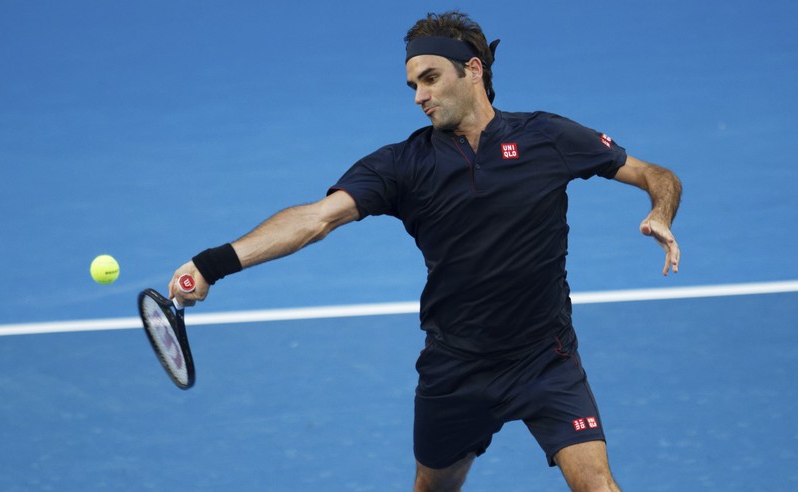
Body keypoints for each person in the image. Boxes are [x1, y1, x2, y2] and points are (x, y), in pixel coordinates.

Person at [169, 10, 681, 492]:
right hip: (455, 368)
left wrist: (660, 211)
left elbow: (654, 173)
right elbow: (315, 220)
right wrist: (213, 264)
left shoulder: (546, 137)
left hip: (546, 360)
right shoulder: (402, 166)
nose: (419, 95)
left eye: (430, 78)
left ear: (473, 70)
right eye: (413, 84)